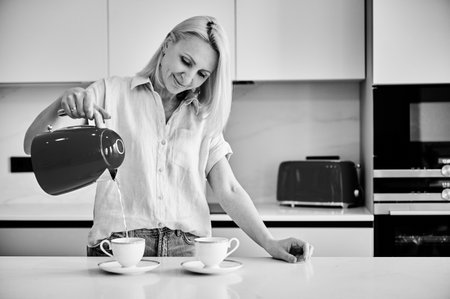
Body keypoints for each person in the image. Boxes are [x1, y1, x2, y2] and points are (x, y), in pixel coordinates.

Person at [24, 16, 313, 263]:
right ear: (167, 45)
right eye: (185, 61)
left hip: (188, 250)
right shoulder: (110, 93)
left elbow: (229, 189)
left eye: (202, 73)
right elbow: (31, 147)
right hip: (118, 248)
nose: (188, 78)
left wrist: (270, 242)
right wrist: (61, 103)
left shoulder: (202, 118)